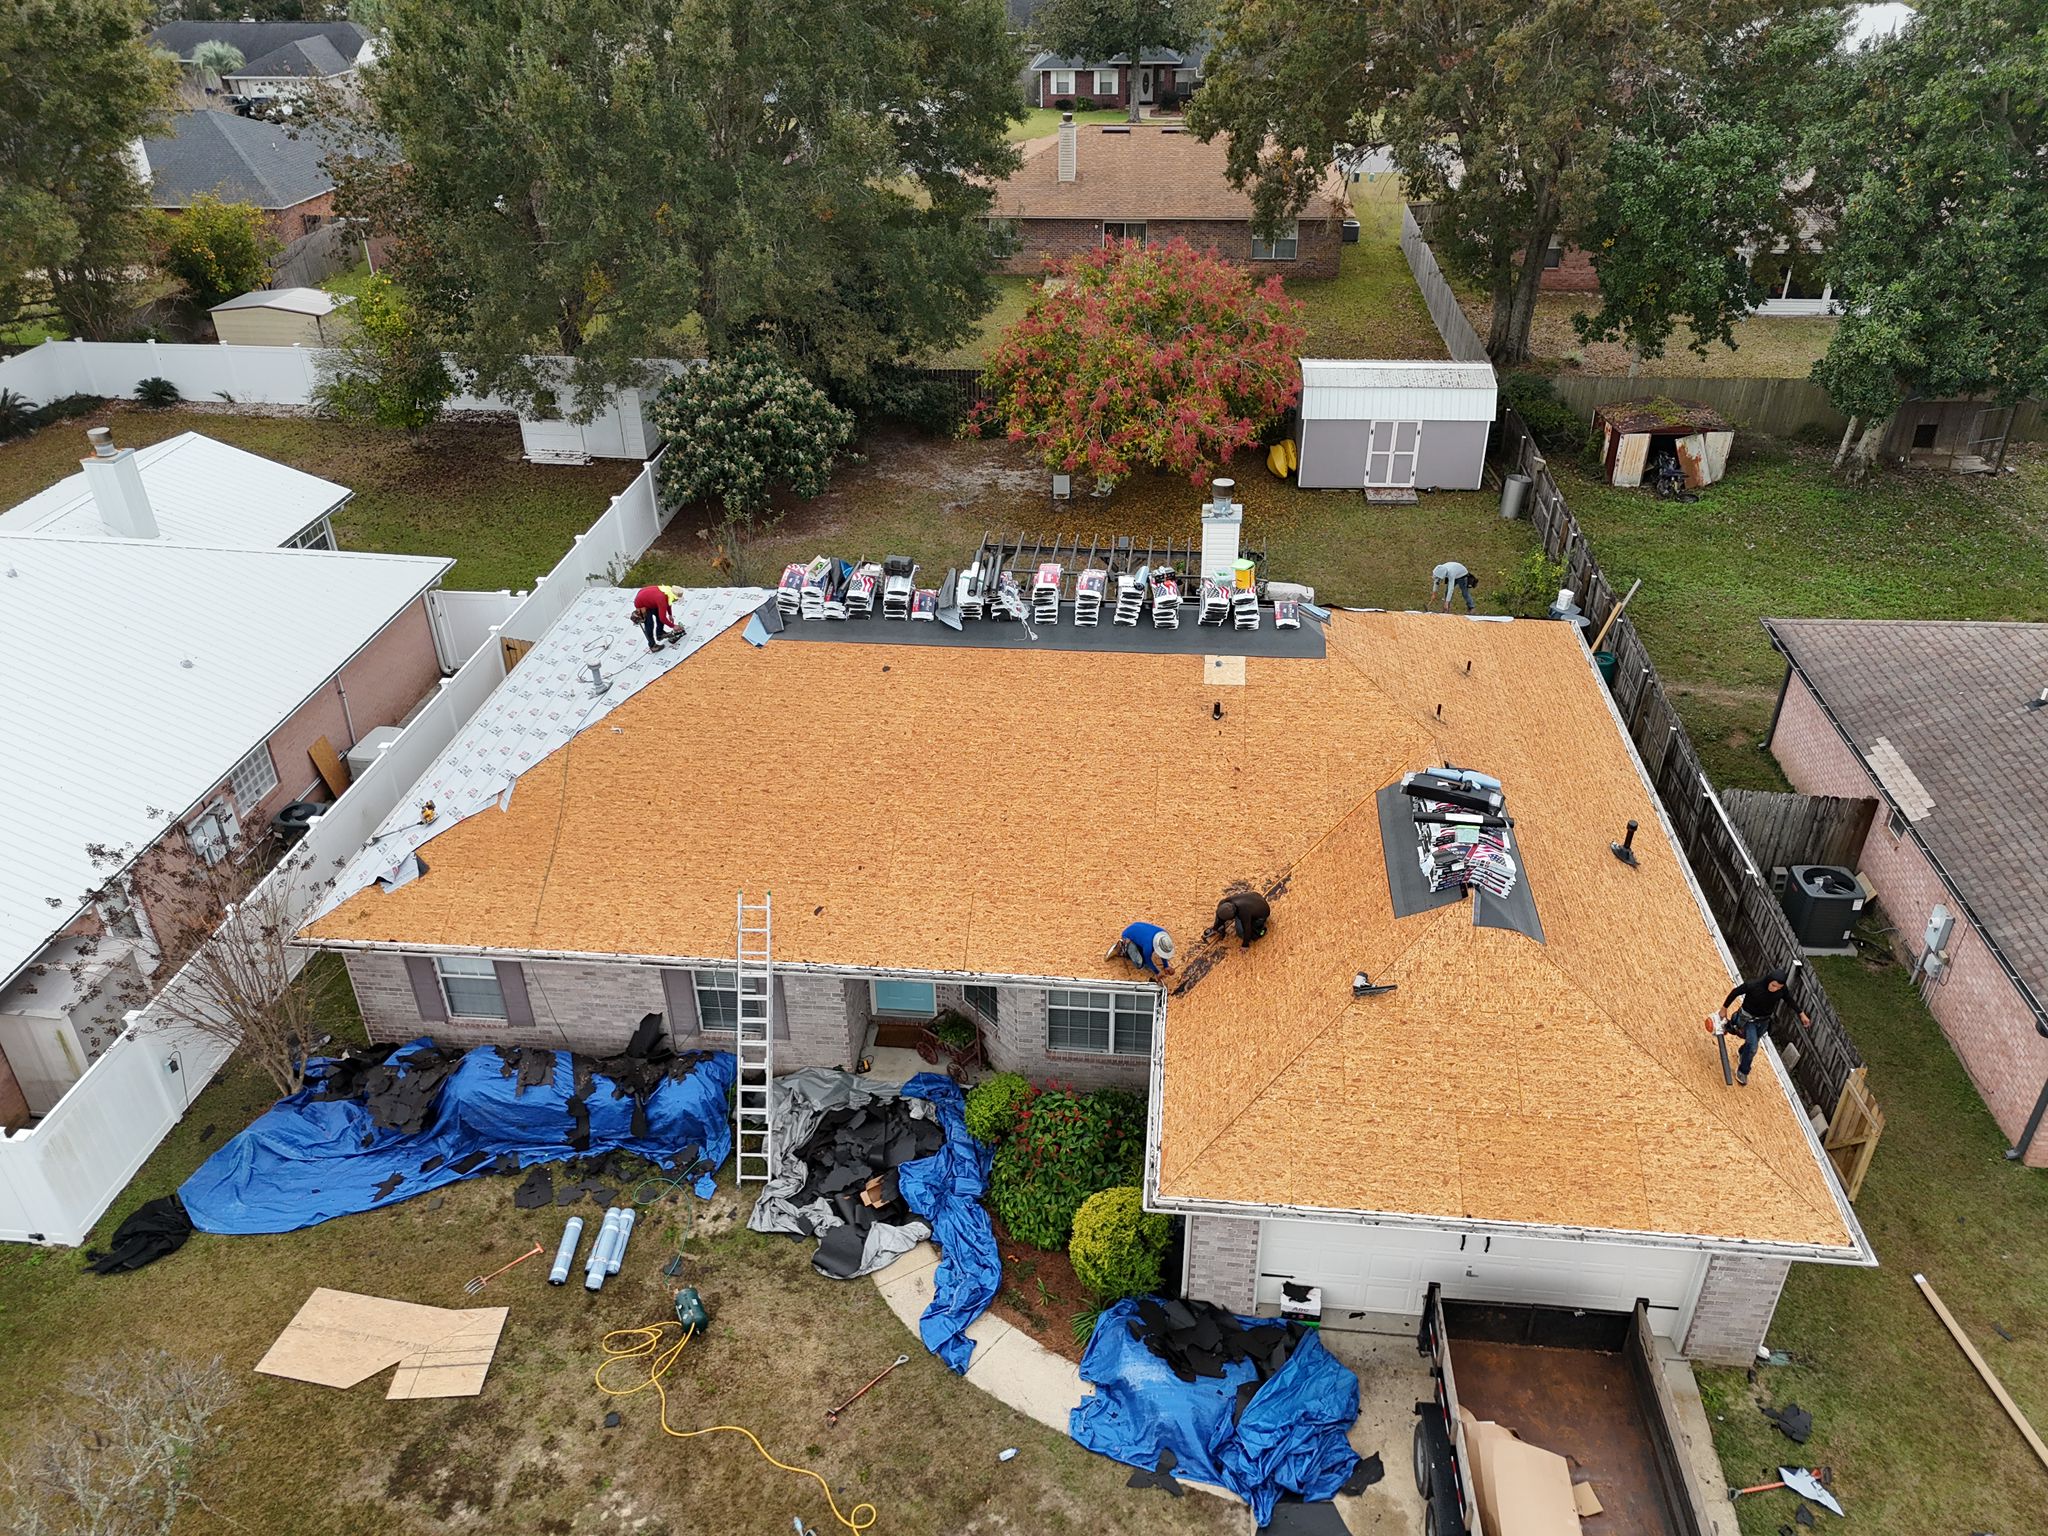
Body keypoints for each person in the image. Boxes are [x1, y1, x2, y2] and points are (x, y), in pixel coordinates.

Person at [1715, 970, 1811, 1086]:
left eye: (1778, 987)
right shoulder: (1754, 985)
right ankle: (1743, 1071)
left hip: (1764, 1021)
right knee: (1753, 1047)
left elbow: (1789, 999)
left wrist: (1801, 1014)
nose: (1775, 989)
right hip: (1748, 1020)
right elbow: (1735, 992)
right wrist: (1724, 1008)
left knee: (1752, 1042)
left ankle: (1742, 1052)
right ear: (1769, 981)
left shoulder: (1781, 990)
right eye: (1773, 985)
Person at [1205, 890, 1271, 949]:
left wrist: (1245, 945)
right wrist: (1215, 928)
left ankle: (1259, 931)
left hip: (1263, 913)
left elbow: (1247, 929)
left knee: (1240, 932)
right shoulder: (1225, 901)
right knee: (1220, 912)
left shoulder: (1243, 913)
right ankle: (1219, 926)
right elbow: (1220, 914)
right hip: (1255, 896)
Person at [1106, 921, 1175, 977]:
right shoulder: (1148, 947)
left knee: (1143, 950)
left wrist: (1166, 966)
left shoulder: (1163, 935)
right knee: (1139, 963)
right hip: (1127, 936)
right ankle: (1120, 949)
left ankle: (1136, 944)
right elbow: (1148, 960)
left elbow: (1163, 948)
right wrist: (1157, 972)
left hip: (1137, 926)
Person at [632, 583, 684, 650]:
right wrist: (673, 626)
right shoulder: (661, 599)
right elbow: (663, 618)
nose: (676, 600)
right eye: (676, 599)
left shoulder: (667, 591)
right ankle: (652, 646)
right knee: (649, 624)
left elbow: (668, 602)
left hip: (649, 599)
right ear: (673, 596)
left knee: (659, 615)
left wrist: (670, 614)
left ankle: (660, 634)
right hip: (642, 604)